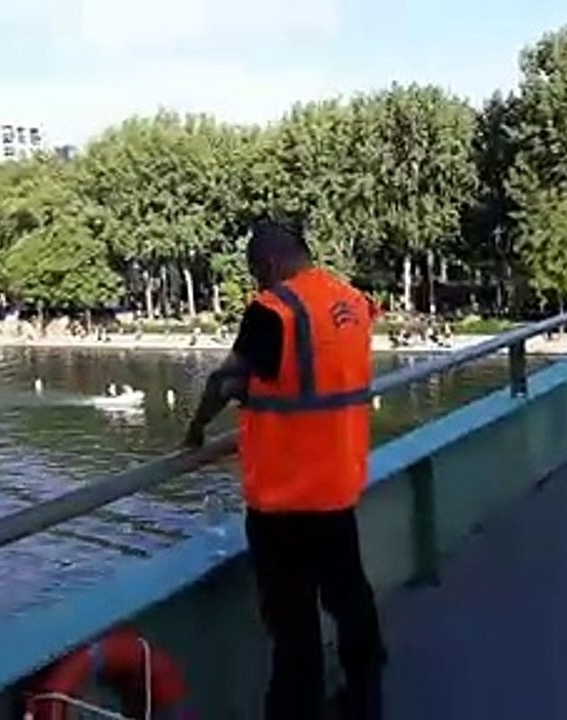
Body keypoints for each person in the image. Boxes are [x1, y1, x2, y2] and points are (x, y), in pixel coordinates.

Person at [183, 216, 386, 720]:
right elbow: (312, 376)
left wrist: (196, 430)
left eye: (255, 271)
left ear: (269, 263)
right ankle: (365, 697)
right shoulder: (349, 301)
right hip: (338, 485)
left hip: (283, 501)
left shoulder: (272, 312)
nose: (255, 282)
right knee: (349, 597)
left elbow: (225, 381)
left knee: (293, 628)